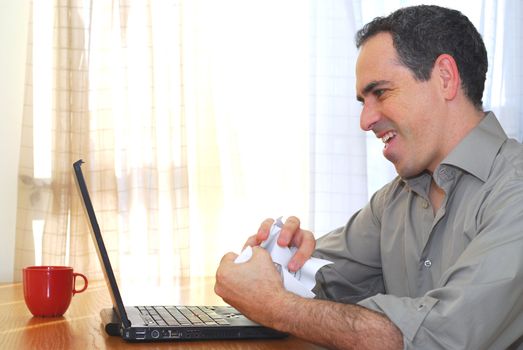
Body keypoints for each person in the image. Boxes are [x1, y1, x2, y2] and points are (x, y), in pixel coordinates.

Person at [214, 5, 523, 349]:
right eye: (363, 100)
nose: (365, 120)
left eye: (381, 92)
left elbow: (439, 339)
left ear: (445, 78)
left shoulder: (515, 192)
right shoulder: (394, 200)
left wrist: (277, 305)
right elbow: (319, 281)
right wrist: (277, 258)